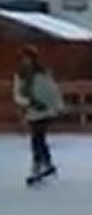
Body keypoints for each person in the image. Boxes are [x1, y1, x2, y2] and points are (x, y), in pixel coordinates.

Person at [12, 45, 65, 183]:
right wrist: (28, 102)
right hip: (32, 110)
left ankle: (38, 165)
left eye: (28, 58)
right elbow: (17, 94)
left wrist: (58, 106)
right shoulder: (20, 76)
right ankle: (46, 164)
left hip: (46, 110)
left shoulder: (43, 74)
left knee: (37, 137)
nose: (25, 61)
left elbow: (53, 90)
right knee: (39, 138)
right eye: (23, 58)